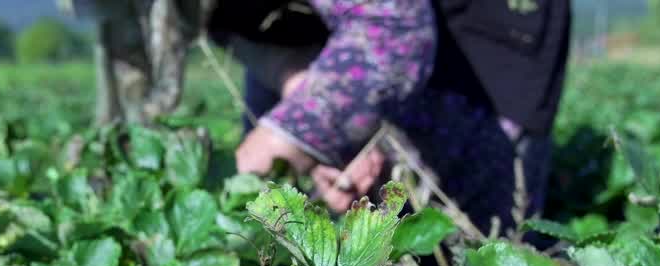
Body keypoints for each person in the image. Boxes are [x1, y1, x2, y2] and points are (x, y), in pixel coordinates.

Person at [69, 0, 571, 239]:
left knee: (473, 258)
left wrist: (255, 165)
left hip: (476, 42)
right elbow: (252, 33)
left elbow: (391, 30)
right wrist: (320, 120)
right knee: (295, 234)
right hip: (337, 30)